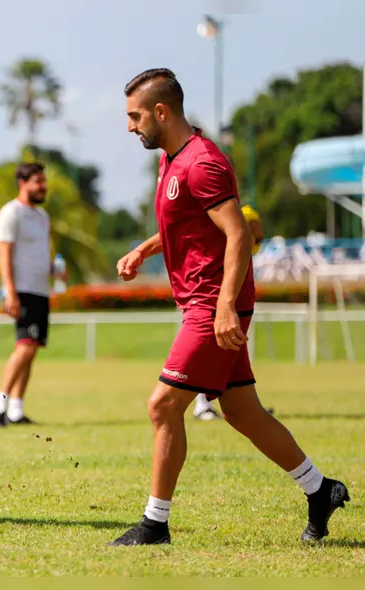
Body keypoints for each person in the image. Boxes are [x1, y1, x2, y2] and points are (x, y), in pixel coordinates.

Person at [110, 68, 349, 546]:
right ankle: (320, 490)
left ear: (162, 111)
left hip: (213, 304)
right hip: (207, 302)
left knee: (162, 406)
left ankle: (155, 524)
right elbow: (185, 225)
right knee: (242, 412)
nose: (131, 127)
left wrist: (223, 310)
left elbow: (237, 233)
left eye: (135, 117)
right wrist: (144, 249)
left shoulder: (202, 161)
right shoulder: (171, 160)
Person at [0, 162, 61, 427]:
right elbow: (3, 254)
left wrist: (54, 270)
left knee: (31, 350)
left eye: (44, 181)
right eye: (37, 181)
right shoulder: (10, 213)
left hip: (41, 290)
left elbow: (39, 254)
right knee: (24, 347)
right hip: (22, 290)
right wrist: (10, 292)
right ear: (23, 183)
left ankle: (16, 410)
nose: (43, 186)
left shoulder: (42, 216)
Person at [191, 203, 266, 421]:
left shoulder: (241, 250)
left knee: (228, 359)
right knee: (204, 356)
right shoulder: (223, 242)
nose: (255, 234)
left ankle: (249, 407)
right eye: (251, 227)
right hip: (210, 307)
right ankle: (201, 404)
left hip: (228, 308)